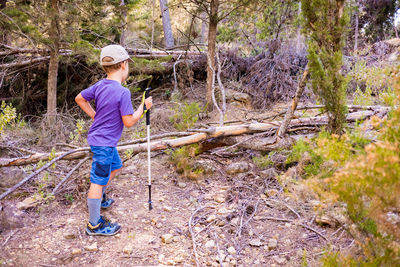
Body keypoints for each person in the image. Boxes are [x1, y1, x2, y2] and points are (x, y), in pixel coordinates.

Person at [75, 44, 152, 236]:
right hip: (104, 143)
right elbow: (129, 121)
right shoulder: (122, 92)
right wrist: (143, 107)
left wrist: (95, 116)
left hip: (103, 141)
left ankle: (98, 197)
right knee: (98, 180)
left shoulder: (100, 85)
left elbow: (79, 98)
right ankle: (94, 224)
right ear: (124, 64)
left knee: (116, 166)